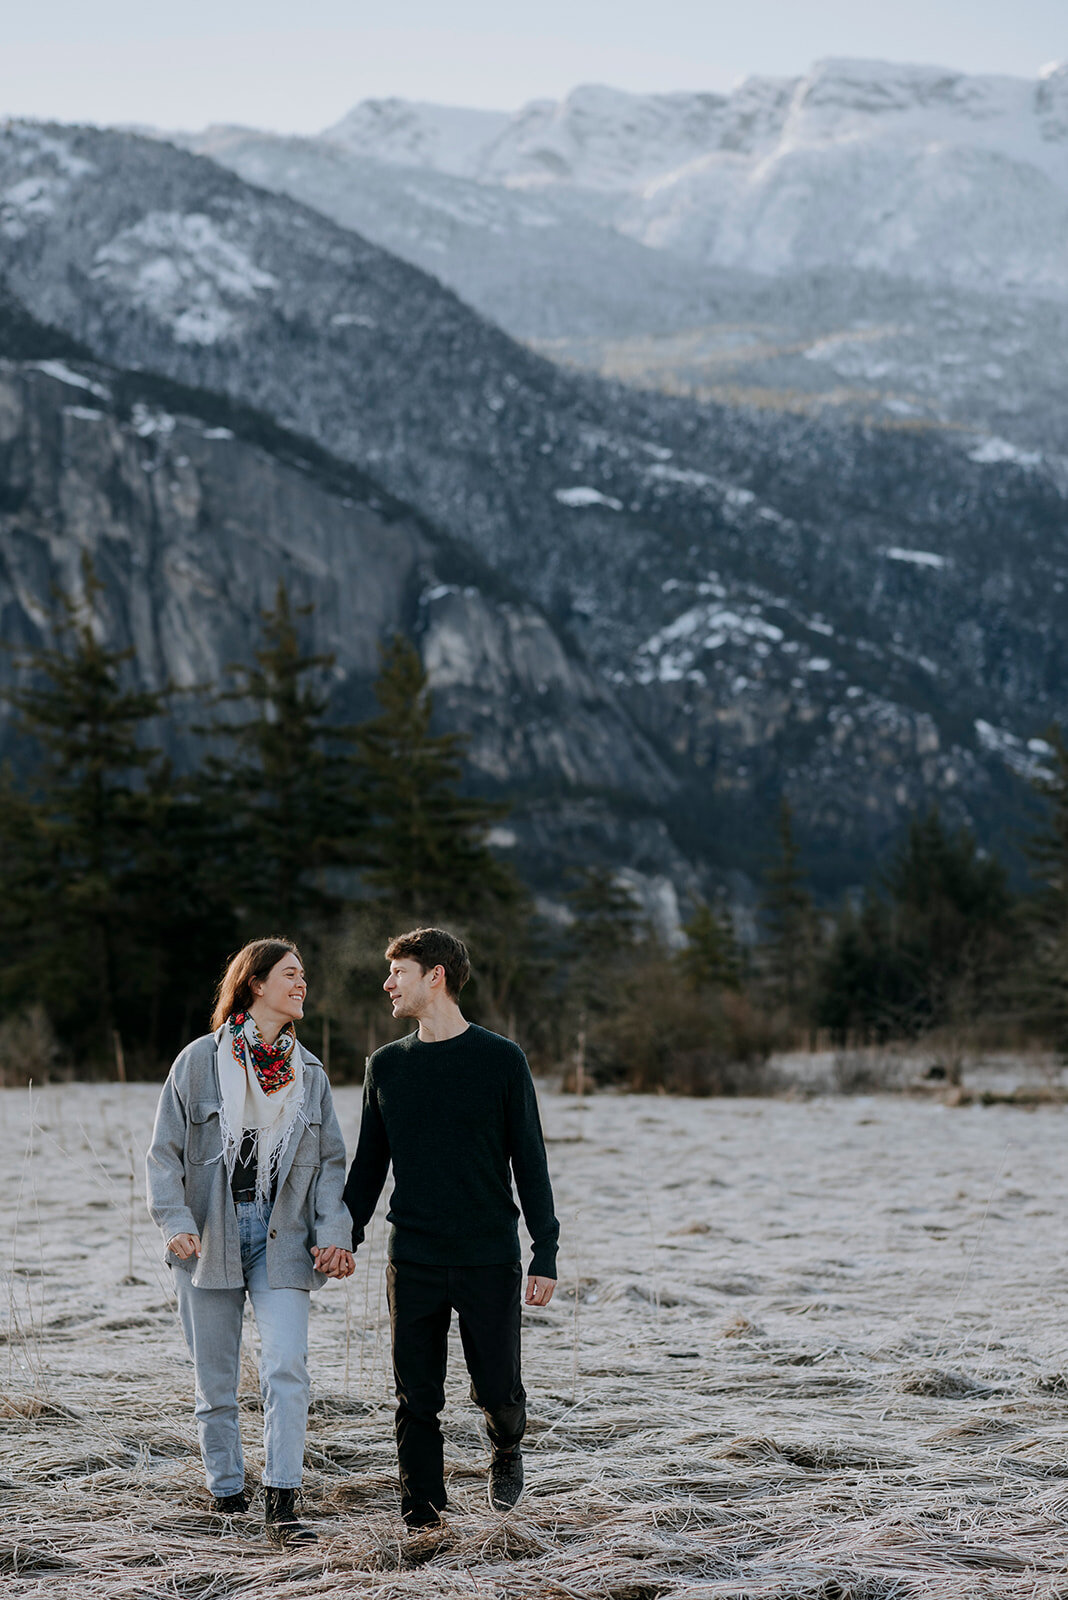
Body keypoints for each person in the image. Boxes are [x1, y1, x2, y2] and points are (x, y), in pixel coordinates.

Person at [343, 926, 559, 1530]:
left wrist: (545, 1251)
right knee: (416, 1397)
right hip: (412, 1256)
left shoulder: (500, 1060)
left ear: (434, 976)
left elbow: (531, 1160)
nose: (387, 984)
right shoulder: (386, 1066)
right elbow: (368, 1166)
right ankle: (422, 1516)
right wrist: (345, 1234)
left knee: (497, 1389)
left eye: (398, 973)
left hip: (488, 1254)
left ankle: (507, 1444)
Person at [146, 938, 355, 1544]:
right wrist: (175, 1220)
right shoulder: (198, 1062)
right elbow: (164, 1153)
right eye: (291, 974)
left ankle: (282, 1503)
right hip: (209, 1234)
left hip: (281, 1237)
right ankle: (228, 1495)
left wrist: (333, 1232)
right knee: (215, 1381)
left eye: (305, 975)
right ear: (255, 983)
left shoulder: (309, 1074)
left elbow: (331, 1165)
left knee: (286, 1364)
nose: (302, 984)